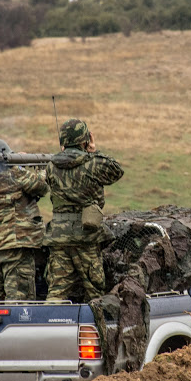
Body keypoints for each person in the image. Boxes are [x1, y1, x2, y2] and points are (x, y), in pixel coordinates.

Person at [44, 118, 124, 302]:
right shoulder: (93, 163)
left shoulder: (50, 166)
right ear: (85, 140)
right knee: (95, 292)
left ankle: (51, 327)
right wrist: (94, 151)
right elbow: (116, 171)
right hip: (86, 236)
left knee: (56, 291)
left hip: (59, 237)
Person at [0, 138, 48, 301]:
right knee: (20, 300)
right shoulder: (14, 173)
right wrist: (34, 166)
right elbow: (40, 185)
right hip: (15, 247)